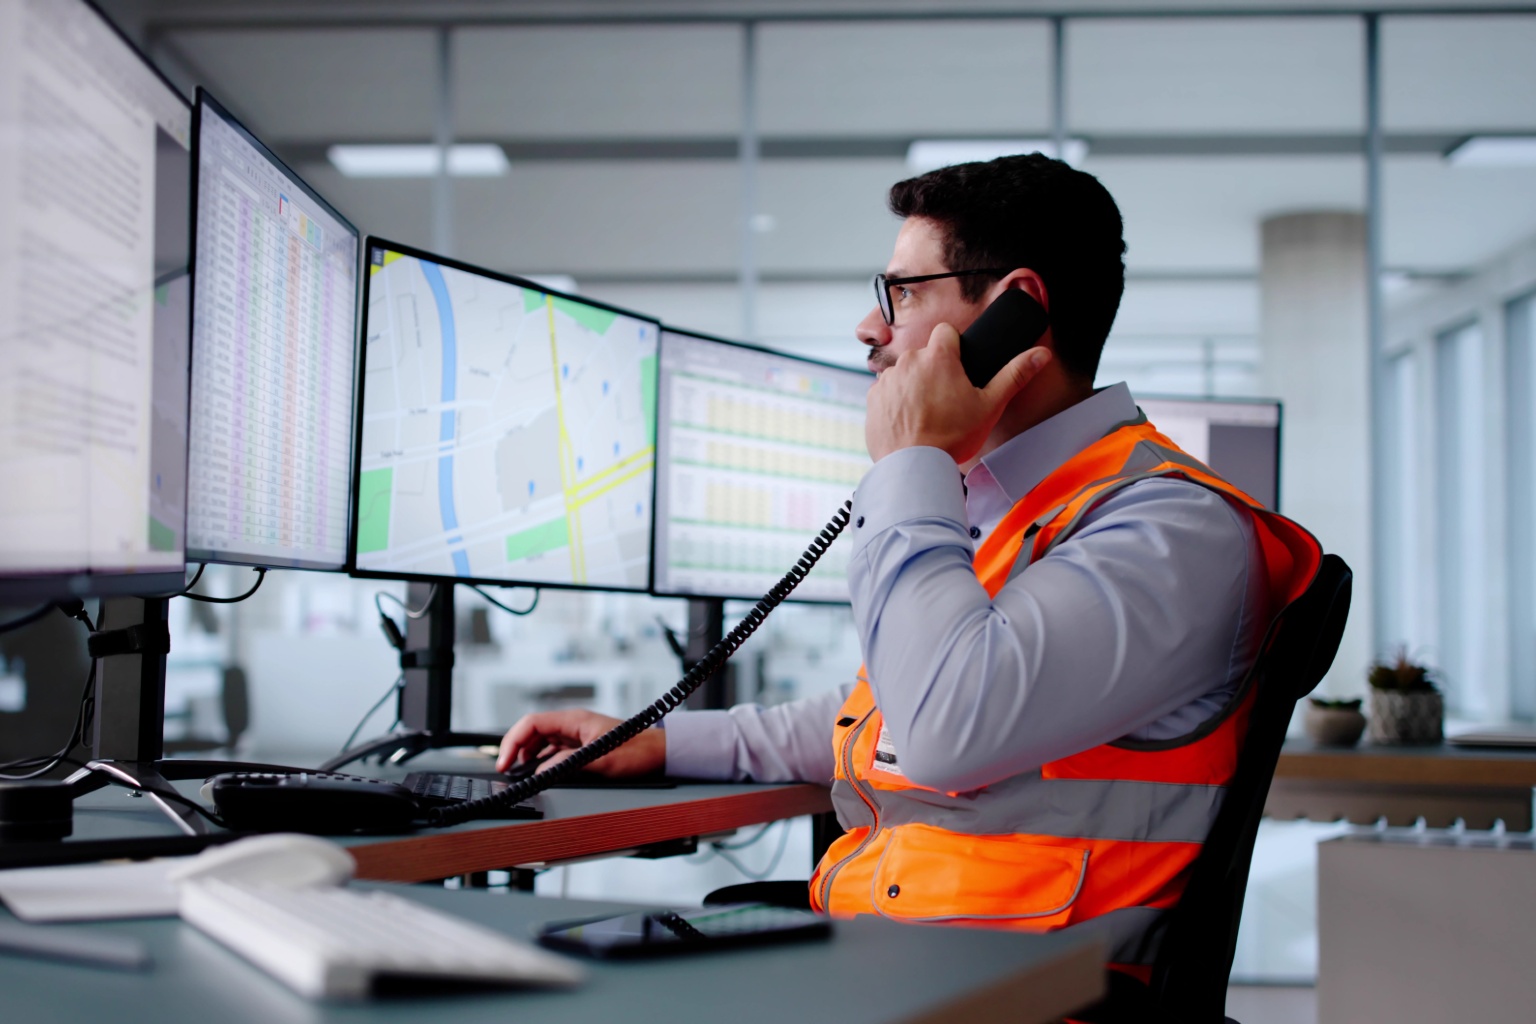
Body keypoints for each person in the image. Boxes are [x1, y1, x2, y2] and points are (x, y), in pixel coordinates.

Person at [497, 154, 1322, 981]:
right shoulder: (1016, 508)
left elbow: (941, 730)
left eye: (903, 293)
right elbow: (883, 716)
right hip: (912, 966)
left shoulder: (1169, 528)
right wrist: (660, 740)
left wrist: (911, 461)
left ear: (1017, 310)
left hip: (1013, 997)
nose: (870, 326)